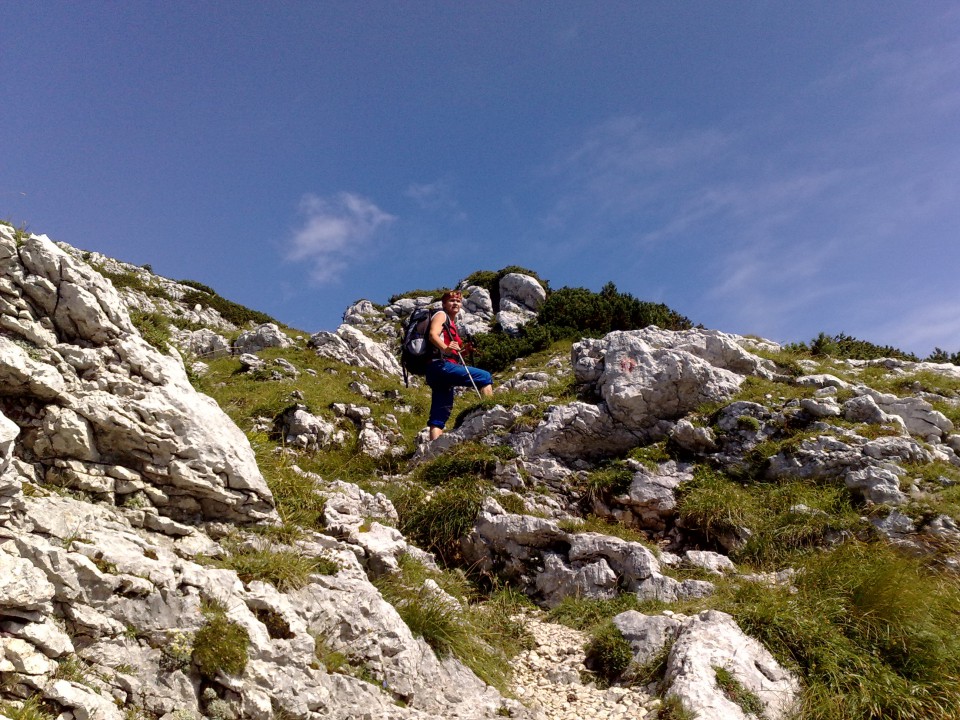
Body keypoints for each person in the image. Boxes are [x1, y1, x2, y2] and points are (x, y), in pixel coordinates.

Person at [425, 290, 493, 440]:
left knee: (439, 414)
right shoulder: (441, 315)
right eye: (451, 301)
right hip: (441, 366)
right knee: (485, 377)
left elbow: (455, 353)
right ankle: (491, 412)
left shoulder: (451, 325)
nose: (455, 303)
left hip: (436, 371)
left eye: (458, 301)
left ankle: (434, 449)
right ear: (444, 304)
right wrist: (446, 348)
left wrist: (465, 351)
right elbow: (432, 335)